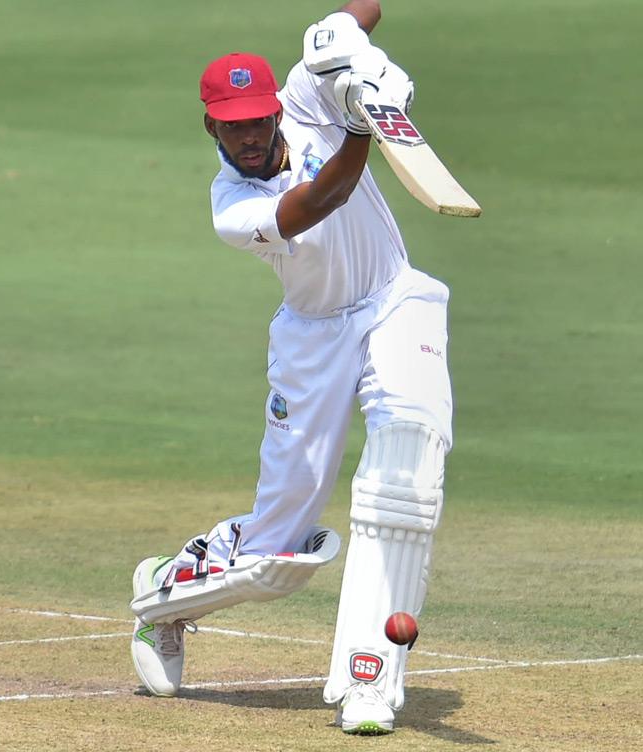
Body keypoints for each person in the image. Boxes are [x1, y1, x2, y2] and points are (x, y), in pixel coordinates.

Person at [130, 0, 453, 736]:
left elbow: (356, 16)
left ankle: (370, 679)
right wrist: (365, 123)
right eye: (231, 123)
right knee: (277, 558)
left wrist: (352, 57)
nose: (249, 134)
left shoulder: (305, 98)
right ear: (210, 126)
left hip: (394, 299)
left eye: (257, 117)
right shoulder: (233, 206)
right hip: (313, 344)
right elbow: (323, 197)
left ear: (276, 106)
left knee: (407, 471)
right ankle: (162, 600)